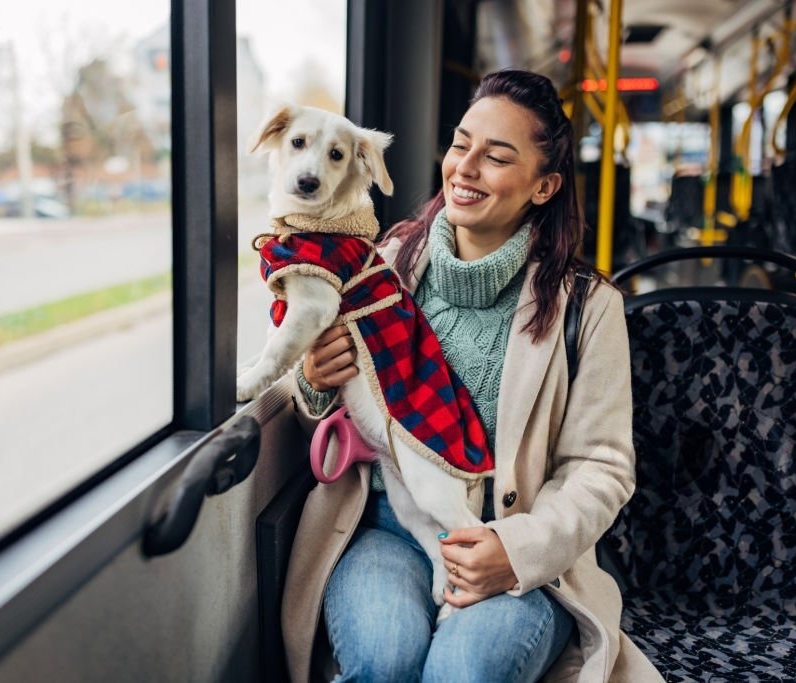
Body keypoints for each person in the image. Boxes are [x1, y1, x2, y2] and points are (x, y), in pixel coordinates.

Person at [281, 69, 662, 682]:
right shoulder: (384, 262)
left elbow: (603, 466)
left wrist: (516, 551)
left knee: (462, 671)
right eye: (461, 144)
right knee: (383, 661)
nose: (466, 167)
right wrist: (314, 380)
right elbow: (338, 418)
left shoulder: (589, 308)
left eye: (498, 157)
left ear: (544, 186)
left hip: (512, 541)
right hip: (384, 528)